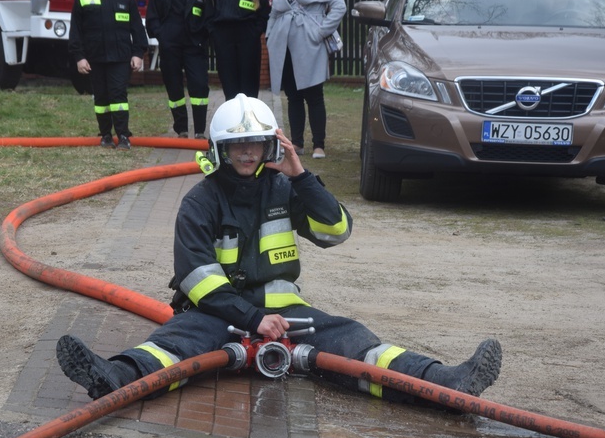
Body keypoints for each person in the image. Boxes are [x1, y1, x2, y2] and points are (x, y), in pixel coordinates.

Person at [57, 94, 503, 407]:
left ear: (272, 144)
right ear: (220, 149)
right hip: (216, 314)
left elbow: (336, 230)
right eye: (237, 145)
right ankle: (113, 376)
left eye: (255, 143)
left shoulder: (283, 188)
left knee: (355, 341)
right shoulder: (200, 201)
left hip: (285, 311)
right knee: (174, 345)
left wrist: (302, 176)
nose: (247, 152)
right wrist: (252, 320)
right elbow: (197, 279)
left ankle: (443, 383)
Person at [266, 0, 345, 159]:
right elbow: (274, 11)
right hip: (283, 42)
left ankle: (318, 145)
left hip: (310, 42)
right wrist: (269, 35)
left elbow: (340, 6)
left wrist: (321, 32)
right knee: (293, 96)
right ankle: (297, 143)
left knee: (314, 95)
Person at [69, 0, 149, 150]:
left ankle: (123, 135)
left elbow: (137, 27)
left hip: (120, 57)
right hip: (94, 58)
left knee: (118, 95)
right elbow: (76, 30)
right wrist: (79, 57)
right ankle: (105, 134)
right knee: (101, 98)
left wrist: (138, 53)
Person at [146, 0, 210, 139]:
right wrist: (162, 35)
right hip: (170, 45)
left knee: (199, 84)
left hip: (194, 45)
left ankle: (200, 131)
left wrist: (203, 36)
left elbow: (209, 15)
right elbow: (152, 17)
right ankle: (181, 129)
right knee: (174, 87)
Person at [204, 0, 271, 100]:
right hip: (223, 38)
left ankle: (249, 115)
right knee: (230, 91)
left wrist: (255, 32)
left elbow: (265, 12)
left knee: (250, 91)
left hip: (249, 37)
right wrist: (216, 35)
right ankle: (233, 115)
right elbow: (208, 13)